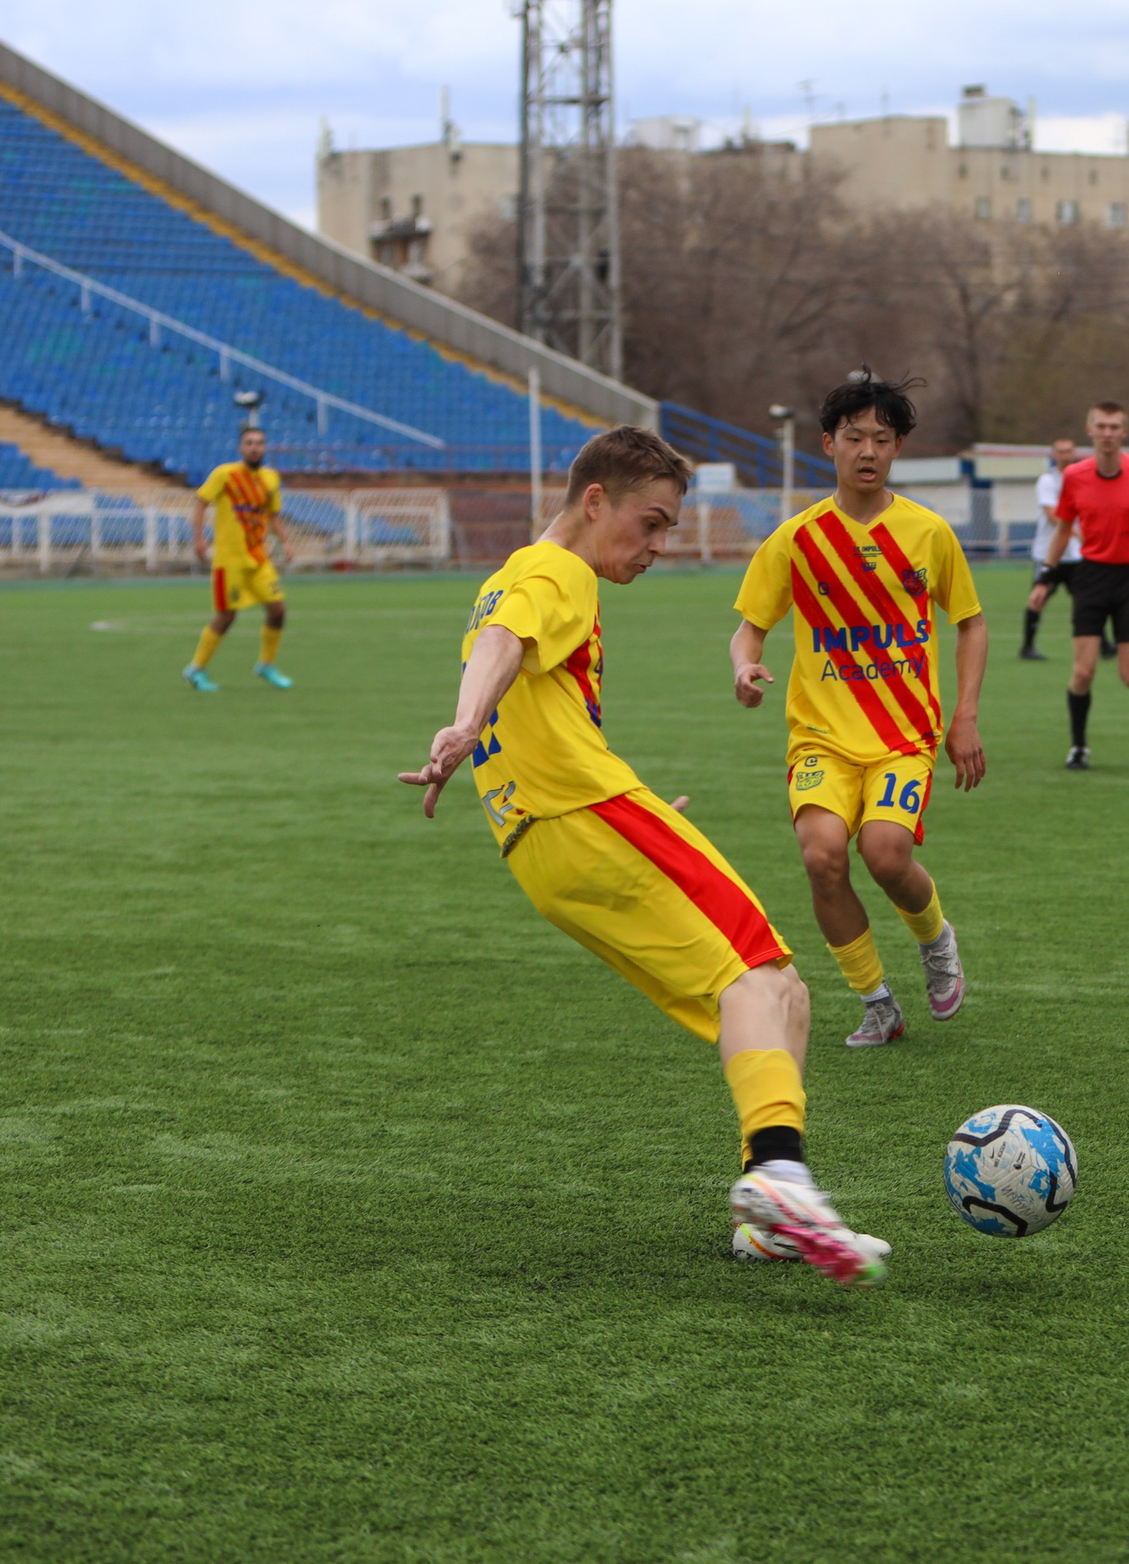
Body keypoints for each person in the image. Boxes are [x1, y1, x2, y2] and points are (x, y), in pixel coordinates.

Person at [397, 426, 884, 1286]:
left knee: (786, 994)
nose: (660, 544)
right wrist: (465, 723)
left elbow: (527, 685)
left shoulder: (516, 573)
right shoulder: (556, 570)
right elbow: (502, 643)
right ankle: (779, 1177)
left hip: (547, 843)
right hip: (587, 817)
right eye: (650, 523)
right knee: (754, 974)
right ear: (595, 502)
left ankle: (770, 1214)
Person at [732, 372, 988, 1052]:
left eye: (881, 438)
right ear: (829, 444)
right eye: (853, 437)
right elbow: (750, 628)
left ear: (898, 446)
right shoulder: (797, 538)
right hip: (820, 736)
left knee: (885, 853)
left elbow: (970, 622)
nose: (867, 450)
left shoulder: (928, 533)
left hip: (904, 735)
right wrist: (743, 666)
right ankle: (876, 1001)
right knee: (822, 857)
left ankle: (935, 939)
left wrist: (964, 717)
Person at [1025, 402, 1129, 769]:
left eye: (1114, 427)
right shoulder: (1075, 476)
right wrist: (1044, 577)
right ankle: (1079, 747)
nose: (1108, 433)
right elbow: (1063, 529)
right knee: (1083, 672)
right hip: (1092, 576)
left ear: (1124, 432)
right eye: (1101, 426)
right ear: (1090, 431)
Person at [184, 421, 291, 691]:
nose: (255, 448)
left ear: (265, 447)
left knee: (278, 610)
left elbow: (273, 514)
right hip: (229, 561)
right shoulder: (225, 474)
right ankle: (196, 669)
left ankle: (266, 664)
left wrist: (286, 542)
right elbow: (201, 502)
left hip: (258, 558)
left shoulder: (270, 478)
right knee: (226, 616)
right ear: (240, 448)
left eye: (259, 443)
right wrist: (199, 538)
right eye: (249, 443)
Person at [1020, 437, 1078, 661]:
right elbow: (1053, 516)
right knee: (1039, 597)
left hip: (1075, 555)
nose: (1065, 455)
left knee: (1089, 598)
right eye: (1060, 451)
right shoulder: (1047, 481)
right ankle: (1027, 646)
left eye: (1068, 451)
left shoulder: (1081, 479)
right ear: (1053, 455)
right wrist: (1080, 535)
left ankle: (1104, 645)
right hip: (1049, 553)